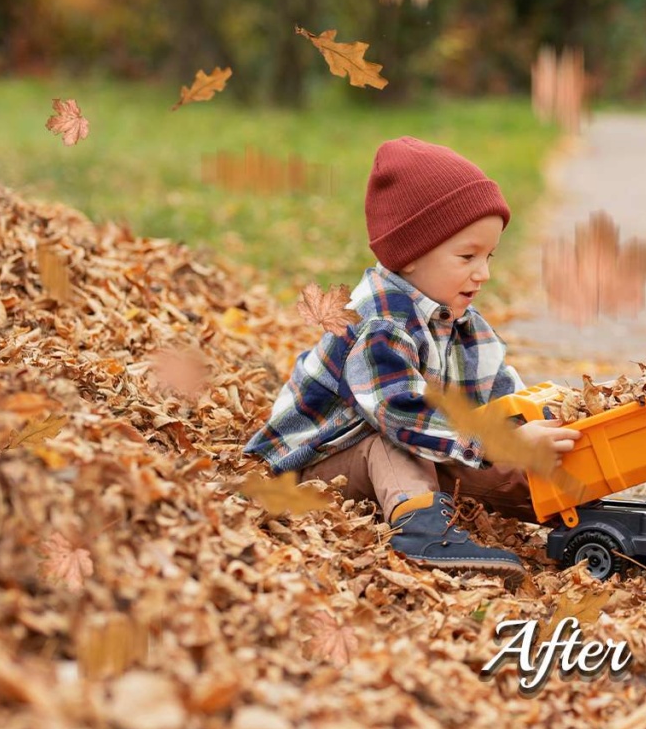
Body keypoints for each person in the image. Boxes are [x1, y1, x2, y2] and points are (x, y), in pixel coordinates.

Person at [243, 138, 575, 578]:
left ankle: (579, 516)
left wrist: (535, 429)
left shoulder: (463, 323)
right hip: (316, 466)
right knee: (397, 439)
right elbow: (400, 412)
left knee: (493, 455)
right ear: (412, 254)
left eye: (489, 256)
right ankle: (422, 532)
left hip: (414, 452)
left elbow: (501, 401)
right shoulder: (379, 321)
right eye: (468, 256)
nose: (484, 272)